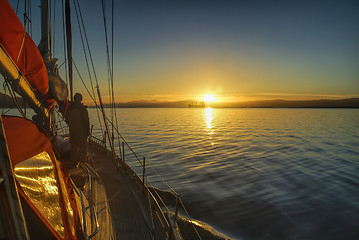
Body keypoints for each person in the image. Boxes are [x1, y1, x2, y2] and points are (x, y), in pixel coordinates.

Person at [66, 93, 90, 165]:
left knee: (74, 150)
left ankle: (74, 163)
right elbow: (86, 121)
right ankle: (83, 165)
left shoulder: (69, 109)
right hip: (81, 133)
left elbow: (67, 120)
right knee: (83, 150)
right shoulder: (82, 109)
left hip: (72, 132)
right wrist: (87, 131)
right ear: (80, 99)